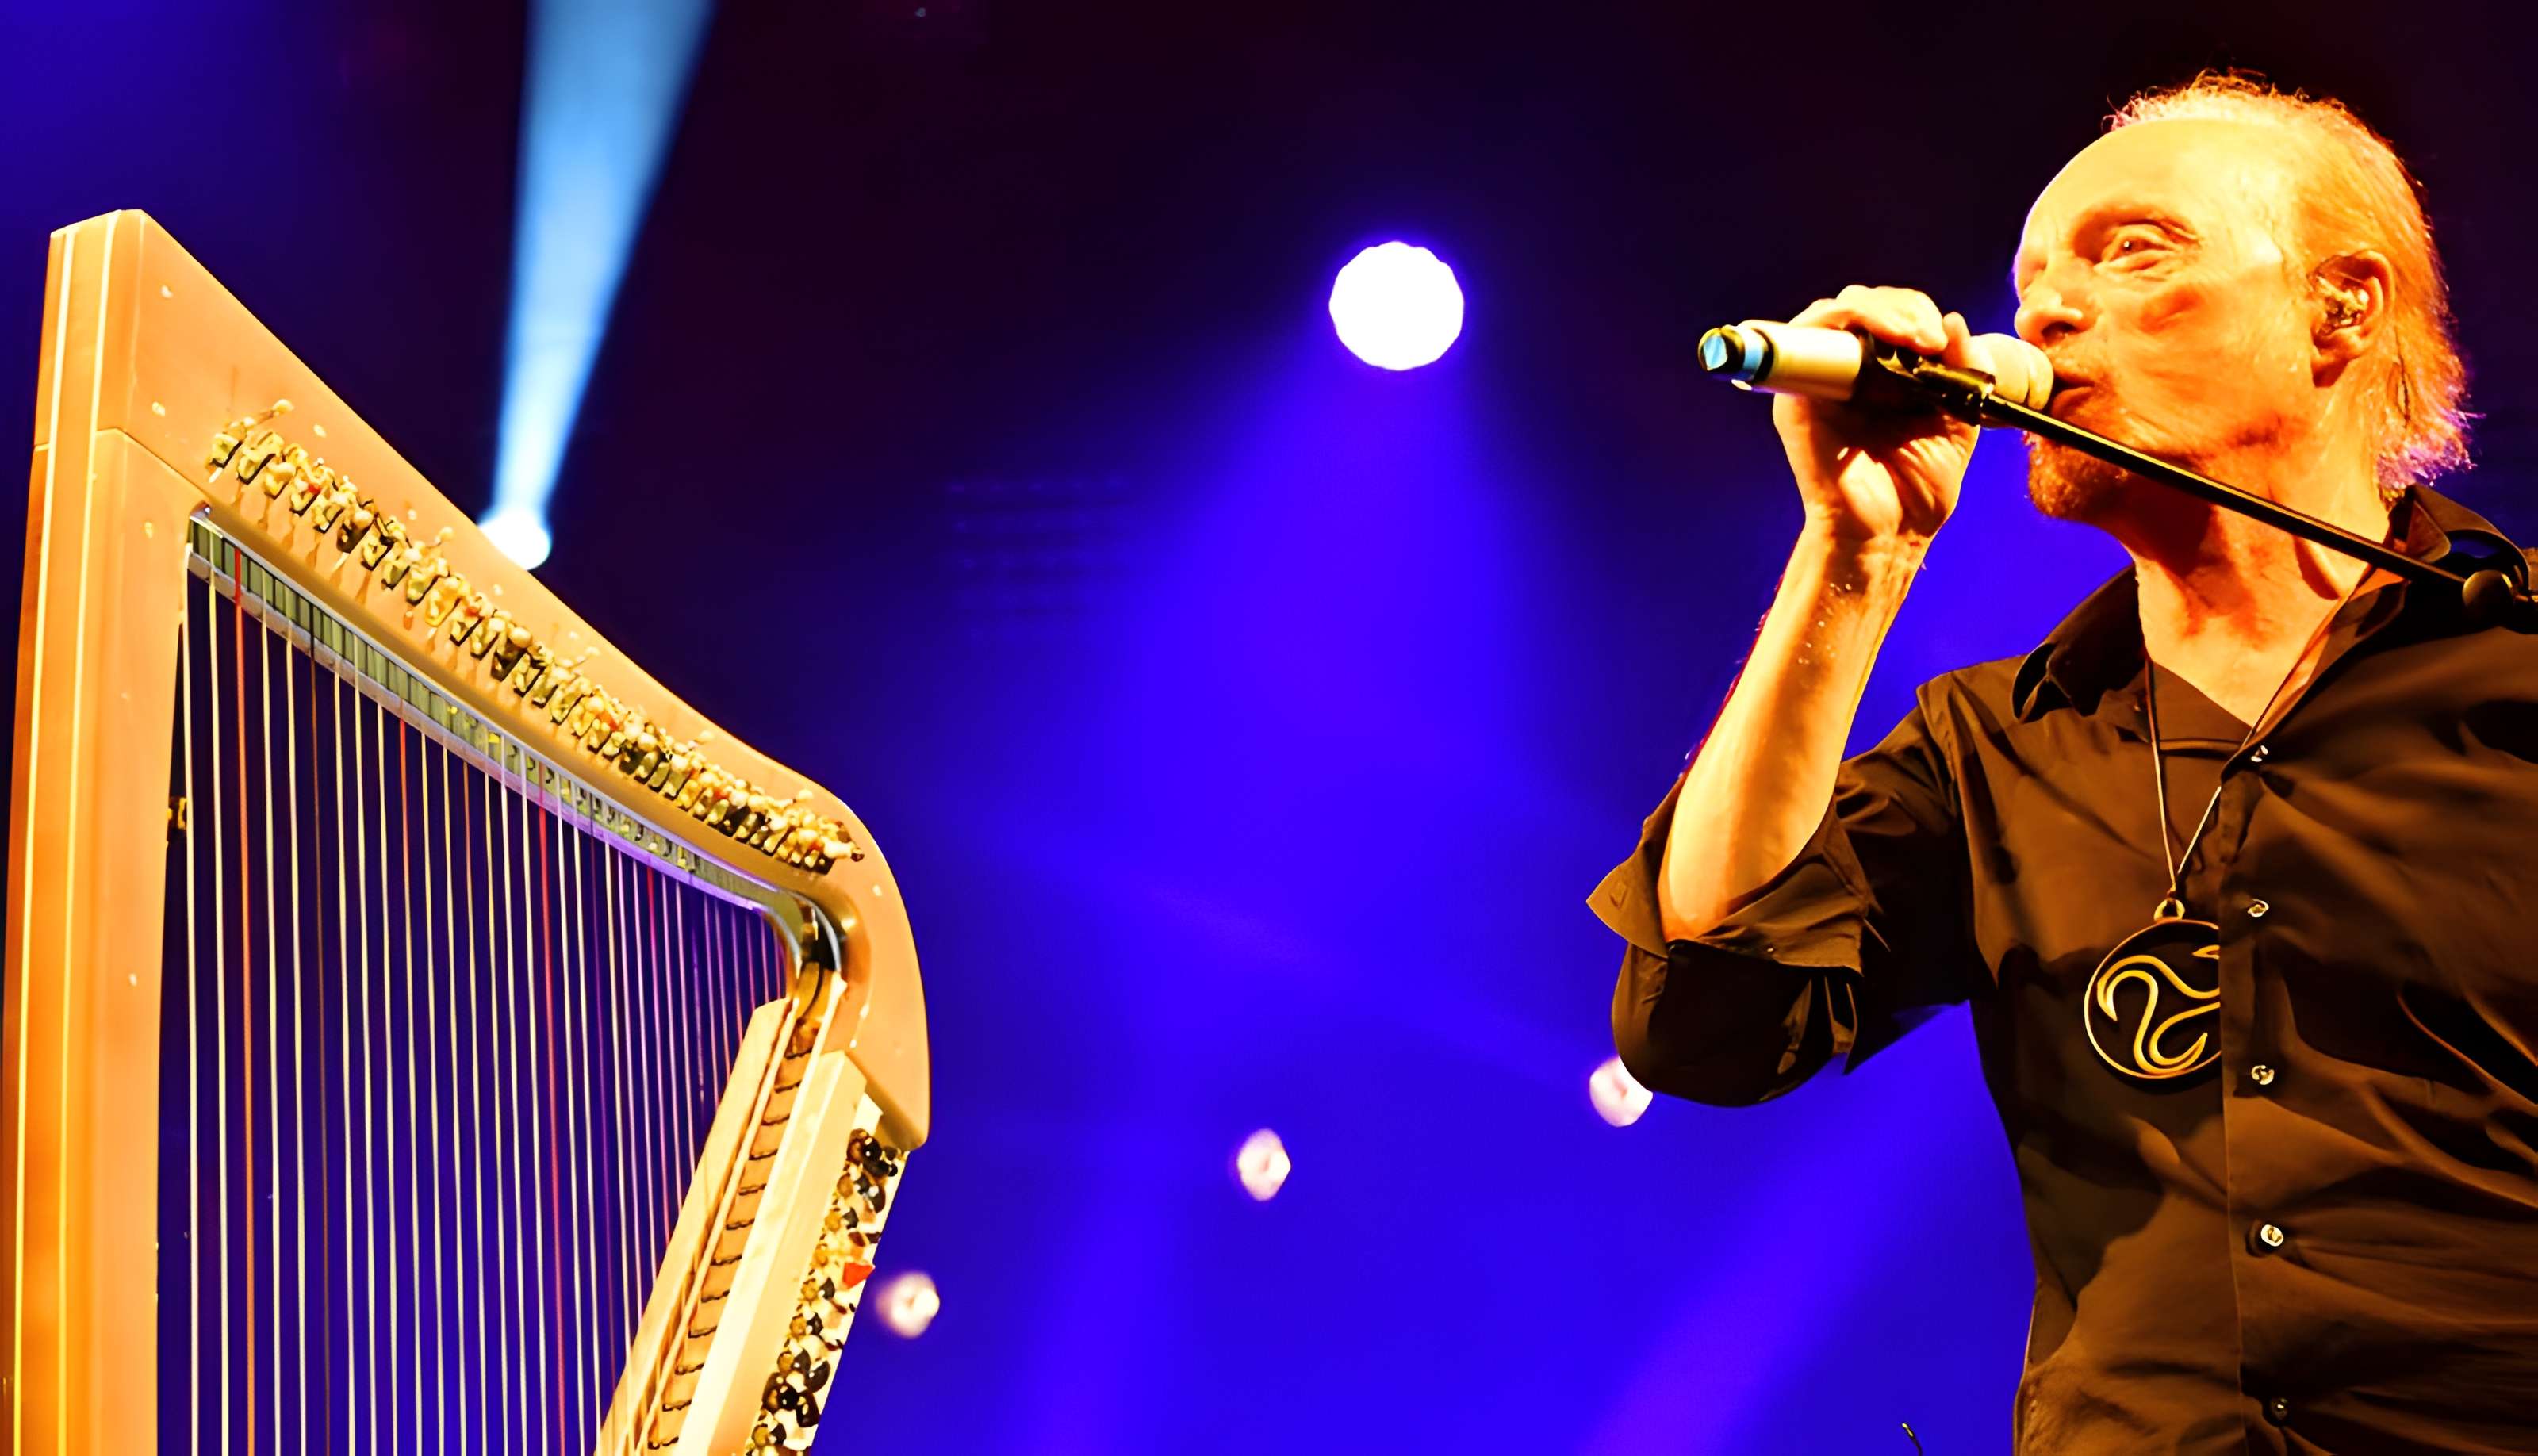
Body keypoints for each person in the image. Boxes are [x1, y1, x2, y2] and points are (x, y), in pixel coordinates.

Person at [1590, 73, 2538, 1454]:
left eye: (2135, 250)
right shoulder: (1996, 747)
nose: (2042, 314)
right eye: (2034, 279)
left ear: (2341, 308)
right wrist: (1855, 557)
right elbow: (1705, 1021)